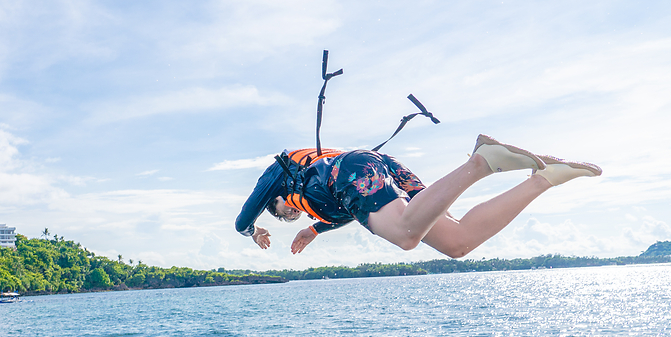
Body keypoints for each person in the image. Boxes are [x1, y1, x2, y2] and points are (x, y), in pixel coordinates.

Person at [235, 135, 601, 258]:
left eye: (284, 215)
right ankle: (544, 179)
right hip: (374, 168)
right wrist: (314, 231)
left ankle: (482, 162)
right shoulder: (321, 204)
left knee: (406, 237)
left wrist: (254, 232)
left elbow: (241, 220)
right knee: (457, 242)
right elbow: (353, 210)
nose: (288, 217)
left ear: (278, 202)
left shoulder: (277, 177)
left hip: (352, 172)